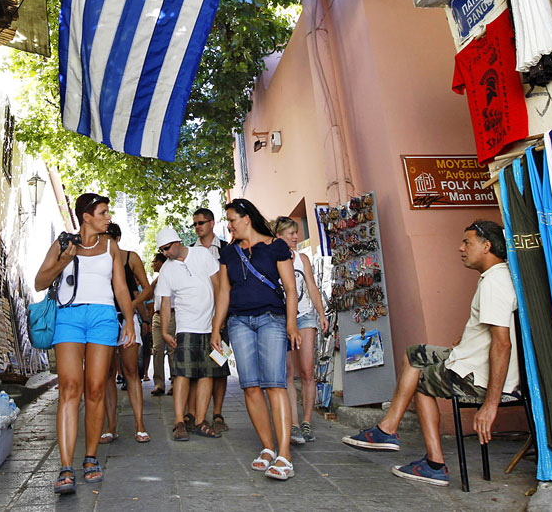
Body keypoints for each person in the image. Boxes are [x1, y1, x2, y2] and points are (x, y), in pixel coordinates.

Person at [342, 220, 518, 488]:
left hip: (478, 375)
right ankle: (388, 429)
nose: (461, 248)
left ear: (487, 246)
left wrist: (490, 404)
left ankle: (434, 464)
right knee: (415, 354)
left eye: (467, 242)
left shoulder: (496, 282)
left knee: (421, 381)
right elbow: (490, 333)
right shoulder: (496, 277)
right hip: (470, 358)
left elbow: (502, 345)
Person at [33, 193, 136, 495]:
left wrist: (128, 320)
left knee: (95, 388)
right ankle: (66, 466)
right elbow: (40, 282)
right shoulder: (63, 244)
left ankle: (90, 457)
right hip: (69, 317)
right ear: (87, 217)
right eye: (103, 212)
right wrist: (64, 261)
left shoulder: (111, 247)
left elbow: (120, 287)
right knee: (70, 388)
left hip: (103, 317)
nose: (108, 217)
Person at [212, 198, 301, 481]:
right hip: (239, 322)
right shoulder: (228, 253)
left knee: (275, 384)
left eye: (232, 220)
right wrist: (216, 328)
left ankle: (284, 455)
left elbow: (290, 288)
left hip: (271, 320)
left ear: (246, 219)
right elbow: (224, 292)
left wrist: (291, 325)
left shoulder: (276, 247)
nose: (229, 226)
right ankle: (267, 447)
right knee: (250, 386)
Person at [154, 226, 225, 440]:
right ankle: (179, 422)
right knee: (182, 375)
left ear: (177, 242)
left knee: (208, 374)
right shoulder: (167, 269)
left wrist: (219, 321)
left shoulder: (202, 254)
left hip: (210, 327)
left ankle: (201, 420)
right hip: (185, 327)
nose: (165, 253)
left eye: (166, 248)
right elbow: (165, 302)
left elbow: (218, 286)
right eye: (161, 250)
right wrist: (166, 332)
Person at [274, 216, 329, 446]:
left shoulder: (302, 258)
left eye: (296, 232)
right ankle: (294, 423)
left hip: (305, 316)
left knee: (307, 371)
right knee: (287, 372)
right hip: (282, 319)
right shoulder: (273, 257)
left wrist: (322, 313)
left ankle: (306, 421)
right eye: (290, 233)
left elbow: (312, 287)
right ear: (279, 236)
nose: (296, 237)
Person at [99, 223, 151, 444]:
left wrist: (133, 305)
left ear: (117, 238)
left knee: (131, 372)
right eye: (102, 236)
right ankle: (111, 427)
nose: (104, 240)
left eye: (108, 236)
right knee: (108, 375)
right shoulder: (97, 258)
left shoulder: (130, 258)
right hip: (104, 319)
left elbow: (147, 287)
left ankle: (140, 424)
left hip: (126, 318)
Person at [190, 207, 230, 433]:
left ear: (212, 223)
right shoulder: (190, 251)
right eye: (195, 224)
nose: (198, 227)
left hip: (222, 318)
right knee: (197, 368)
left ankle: (218, 413)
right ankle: (197, 414)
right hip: (197, 318)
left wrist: (222, 316)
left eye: (201, 223)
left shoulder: (226, 249)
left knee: (220, 364)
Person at [146, 252, 172, 395]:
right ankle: (159, 384)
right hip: (157, 315)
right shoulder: (156, 280)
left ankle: (175, 381)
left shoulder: (173, 274)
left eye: (154, 261)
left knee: (173, 349)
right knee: (157, 349)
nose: (152, 264)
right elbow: (148, 294)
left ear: (161, 262)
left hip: (172, 314)